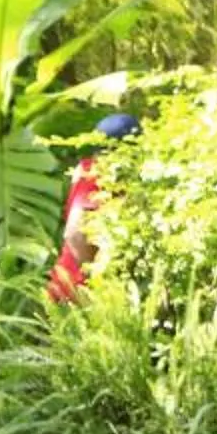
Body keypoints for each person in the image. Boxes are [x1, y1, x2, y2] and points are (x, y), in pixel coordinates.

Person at [47, 111, 137, 304]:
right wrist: (95, 279)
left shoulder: (85, 169)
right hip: (76, 289)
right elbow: (75, 233)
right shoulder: (97, 176)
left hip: (69, 282)